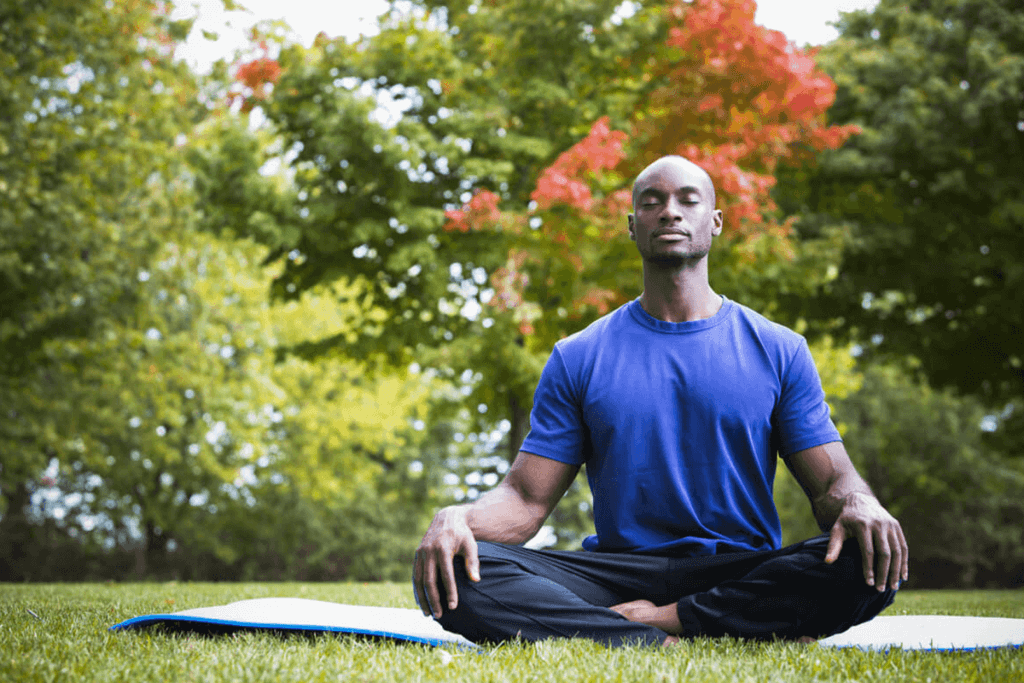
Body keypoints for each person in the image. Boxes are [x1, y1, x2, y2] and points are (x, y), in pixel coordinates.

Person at [412, 155, 908, 647]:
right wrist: (459, 518)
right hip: (617, 572)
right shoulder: (578, 355)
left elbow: (831, 486)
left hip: (738, 567)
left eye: (688, 201)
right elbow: (525, 500)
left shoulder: (779, 350)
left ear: (715, 222)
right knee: (458, 568)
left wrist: (860, 503)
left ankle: (663, 622)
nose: (670, 212)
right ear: (633, 226)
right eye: (652, 203)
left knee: (867, 555)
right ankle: (685, 631)